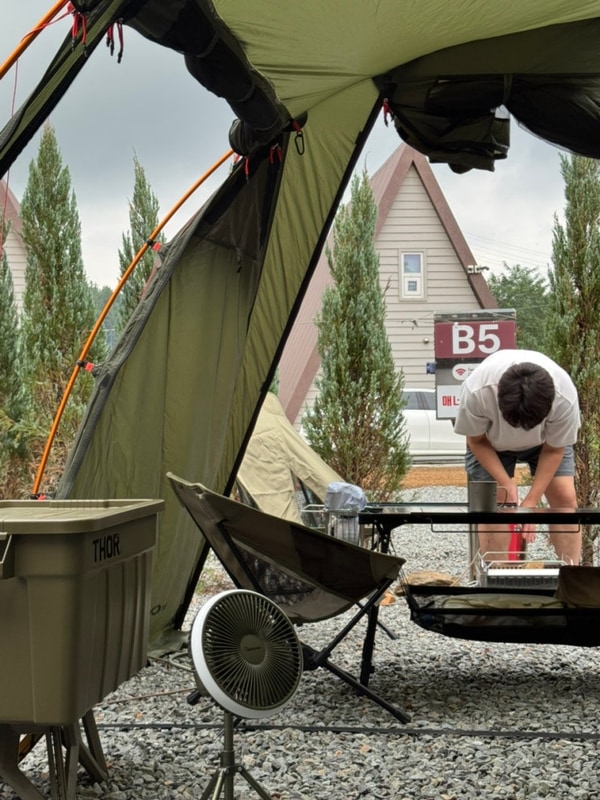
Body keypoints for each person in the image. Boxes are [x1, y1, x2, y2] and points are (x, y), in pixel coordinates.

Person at [454, 349, 581, 565]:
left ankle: (572, 576)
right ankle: (499, 579)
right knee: (497, 503)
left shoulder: (564, 397)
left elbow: (554, 449)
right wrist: (505, 483)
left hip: (545, 445)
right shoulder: (478, 390)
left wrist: (530, 503)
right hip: (490, 443)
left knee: (565, 499)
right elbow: (476, 440)